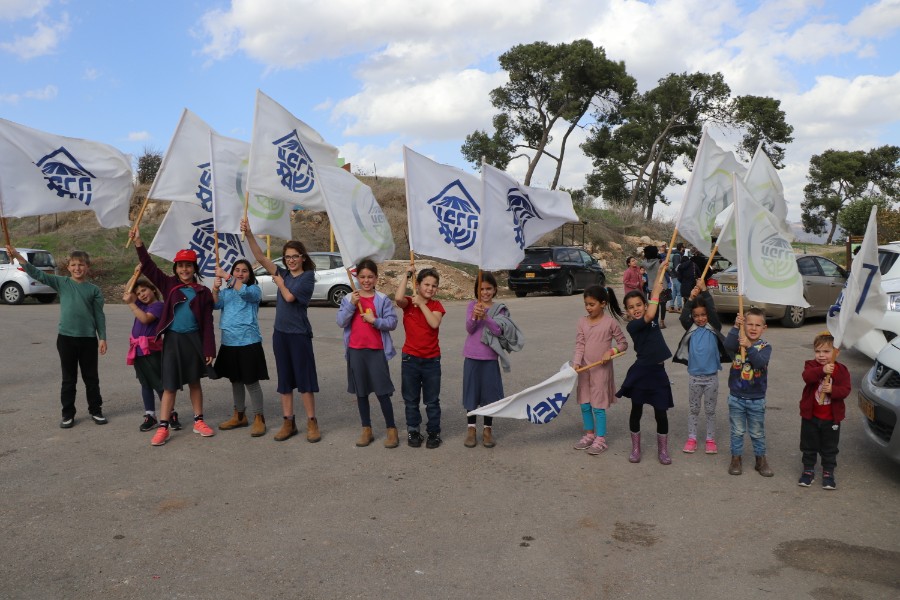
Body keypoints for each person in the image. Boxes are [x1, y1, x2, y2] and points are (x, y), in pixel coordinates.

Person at [130, 229, 216, 446]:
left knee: (195, 382)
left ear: (194, 268)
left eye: (188, 265)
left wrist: (209, 349)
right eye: (180, 265)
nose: (184, 269)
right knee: (169, 386)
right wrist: (139, 242)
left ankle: (199, 421)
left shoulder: (203, 292)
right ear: (175, 268)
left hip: (193, 341)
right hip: (173, 341)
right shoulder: (169, 285)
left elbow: (207, 323)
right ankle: (163, 426)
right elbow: (149, 267)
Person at [6, 245, 108, 428]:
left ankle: (96, 410)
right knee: (69, 378)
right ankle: (68, 414)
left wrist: (102, 338)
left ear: (88, 267)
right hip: (66, 338)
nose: (78, 268)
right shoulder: (61, 282)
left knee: (91, 377)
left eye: (82, 265)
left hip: (88, 340)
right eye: (74, 264)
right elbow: (38, 275)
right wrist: (17, 256)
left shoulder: (94, 290)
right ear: (68, 267)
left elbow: (99, 315)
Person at [241, 219, 321, 443]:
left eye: (295, 256)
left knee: (304, 381)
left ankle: (312, 422)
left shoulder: (307, 277)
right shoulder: (283, 274)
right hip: (281, 334)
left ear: (303, 257)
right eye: (288, 257)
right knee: (285, 380)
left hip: (299, 335)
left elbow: (289, 297)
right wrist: (249, 235)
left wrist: (279, 282)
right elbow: (260, 257)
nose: (292, 260)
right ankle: (289, 422)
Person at [336, 259, 400, 448]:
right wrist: (351, 305)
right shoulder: (350, 298)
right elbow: (341, 322)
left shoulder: (382, 299)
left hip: (376, 352)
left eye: (370, 277)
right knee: (361, 393)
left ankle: (391, 429)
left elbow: (392, 322)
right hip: (356, 351)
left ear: (376, 278)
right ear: (356, 277)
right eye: (362, 277)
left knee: (382, 392)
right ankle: (366, 429)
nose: (366, 280)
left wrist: (375, 320)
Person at [616, 268, 675, 465]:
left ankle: (663, 450)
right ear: (627, 312)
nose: (636, 309)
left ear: (644, 304)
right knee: (636, 410)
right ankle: (635, 448)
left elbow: (652, 310)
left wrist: (659, 272)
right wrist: (656, 293)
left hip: (658, 372)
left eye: (639, 304)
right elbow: (649, 314)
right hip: (641, 372)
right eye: (631, 307)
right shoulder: (633, 325)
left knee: (661, 412)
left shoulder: (650, 317)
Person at [462, 272, 523, 448]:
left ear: (495, 289)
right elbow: (469, 328)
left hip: (489, 357)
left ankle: (487, 430)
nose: (485, 292)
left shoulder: (500, 309)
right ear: (477, 290)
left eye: (489, 289)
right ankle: (471, 429)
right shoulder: (472, 305)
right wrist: (475, 315)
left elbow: (498, 331)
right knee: (471, 393)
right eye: (481, 289)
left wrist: (486, 317)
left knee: (490, 395)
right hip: (471, 356)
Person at [212, 260, 270, 437]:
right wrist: (215, 288)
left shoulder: (253, 290)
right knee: (235, 380)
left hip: (248, 341)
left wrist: (226, 276)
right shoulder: (227, 291)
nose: (240, 273)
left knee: (251, 381)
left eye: (244, 271)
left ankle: (259, 418)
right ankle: (239, 415)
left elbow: (243, 292)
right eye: (236, 270)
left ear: (250, 275)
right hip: (229, 342)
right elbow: (214, 304)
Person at [672, 280, 731, 454]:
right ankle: (692, 438)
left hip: (711, 378)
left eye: (703, 314)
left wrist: (705, 292)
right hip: (694, 378)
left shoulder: (713, 327)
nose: (700, 318)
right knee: (694, 409)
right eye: (696, 315)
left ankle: (710, 440)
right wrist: (690, 299)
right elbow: (683, 317)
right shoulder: (690, 328)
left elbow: (712, 312)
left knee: (710, 411)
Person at [572, 285, 628, 455]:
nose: (588, 308)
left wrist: (611, 352)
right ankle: (589, 435)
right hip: (584, 369)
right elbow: (580, 344)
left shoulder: (610, 323)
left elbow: (623, 344)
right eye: (586, 304)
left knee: (598, 406)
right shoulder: (582, 322)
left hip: (601, 371)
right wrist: (576, 363)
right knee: (585, 404)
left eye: (592, 304)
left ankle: (600, 438)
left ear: (603, 303)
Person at [394, 265, 446, 449]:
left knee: (432, 400)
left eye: (434, 285)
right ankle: (413, 430)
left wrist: (422, 304)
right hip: (410, 359)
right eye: (426, 284)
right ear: (418, 284)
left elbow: (433, 323)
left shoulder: (436, 306)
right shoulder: (409, 303)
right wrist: (406, 275)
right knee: (411, 399)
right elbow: (398, 298)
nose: (430, 288)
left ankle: (433, 432)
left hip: (432, 360)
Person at [723, 308, 773, 476]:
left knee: (757, 432)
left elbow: (759, 363)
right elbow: (727, 345)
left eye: (757, 325)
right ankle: (736, 458)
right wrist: (736, 327)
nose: (753, 328)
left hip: (756, 398)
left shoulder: (765, 347)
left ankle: (761, 459)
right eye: (749, 324)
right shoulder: (739, 341)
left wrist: (749, 346)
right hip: (736, 396)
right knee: (737, 431)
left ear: (763, 328)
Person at [798, 332, 851, 490]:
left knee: (830, 447)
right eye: (818, 351)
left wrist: (833, 389)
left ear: (836, 353)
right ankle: (808, 470)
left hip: (831, 419)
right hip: (811, 417)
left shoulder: (841, 370)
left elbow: (846, 390)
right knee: (808, 445)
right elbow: (807, 377)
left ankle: (828, 472)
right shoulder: (811, 365)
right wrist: (822, 370)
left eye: (826, 351)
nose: (821, 355)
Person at [123, 274, 167, 432]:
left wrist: (131, 305)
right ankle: (150, 415)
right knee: (145, 384)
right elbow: (127, 290)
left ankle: (169, 413)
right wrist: (136, 274)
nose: (142, 294)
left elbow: (145, 319)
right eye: (139, 293)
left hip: (152, 352)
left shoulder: (158, 306)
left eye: (144, 290)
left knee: (159, 384)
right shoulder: (140, 304)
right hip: (138, 352)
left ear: (153, 290)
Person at [642, 245, 666, 329]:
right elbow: (669, 269)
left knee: (654, 304)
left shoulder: (644, 263)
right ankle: (662, 321)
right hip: (661, 285)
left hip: (651, 286)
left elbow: (645, 259)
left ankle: (654, 321)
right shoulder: (659, 262)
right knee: (663, 304)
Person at [667, 243, 684, 313]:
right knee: (679, 292)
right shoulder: (677, 255)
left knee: (674, 291)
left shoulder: (673, 253)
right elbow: (677, 267)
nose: (684, 249)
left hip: (673, 275)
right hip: (676, 276)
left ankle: (671, 306)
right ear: (681, 248)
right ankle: (679, 307)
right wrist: (680, 275)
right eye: (683, 247)